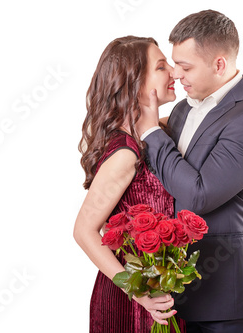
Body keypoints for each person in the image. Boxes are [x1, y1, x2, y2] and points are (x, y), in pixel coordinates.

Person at [137, 10, 243, 333]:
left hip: (229, 295)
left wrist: (150, 132)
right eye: (174, 64)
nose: (176, 74)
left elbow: (197, 194)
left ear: (219, 65)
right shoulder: (182, 109)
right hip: (180, 288)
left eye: (185, 67)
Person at [73, 36, 186, 332]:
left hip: (161, 287)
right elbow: (84, 231)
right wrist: (140, 293)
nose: (174, 72)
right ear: (135, 83)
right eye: (162, 67)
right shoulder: (126, 153)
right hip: (133, 298)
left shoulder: (155, 133)